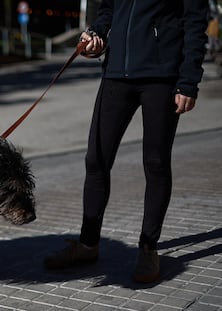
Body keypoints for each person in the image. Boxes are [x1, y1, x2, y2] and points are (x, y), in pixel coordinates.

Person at [44, 0, 209, 283]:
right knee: (96, 159)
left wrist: (189, 80)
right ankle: (87, 244)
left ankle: (148, 248)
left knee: (155, 163)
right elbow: (107, 10)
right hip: (116, 75)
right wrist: (97, 34)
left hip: (162, 76)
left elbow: (195, 22)